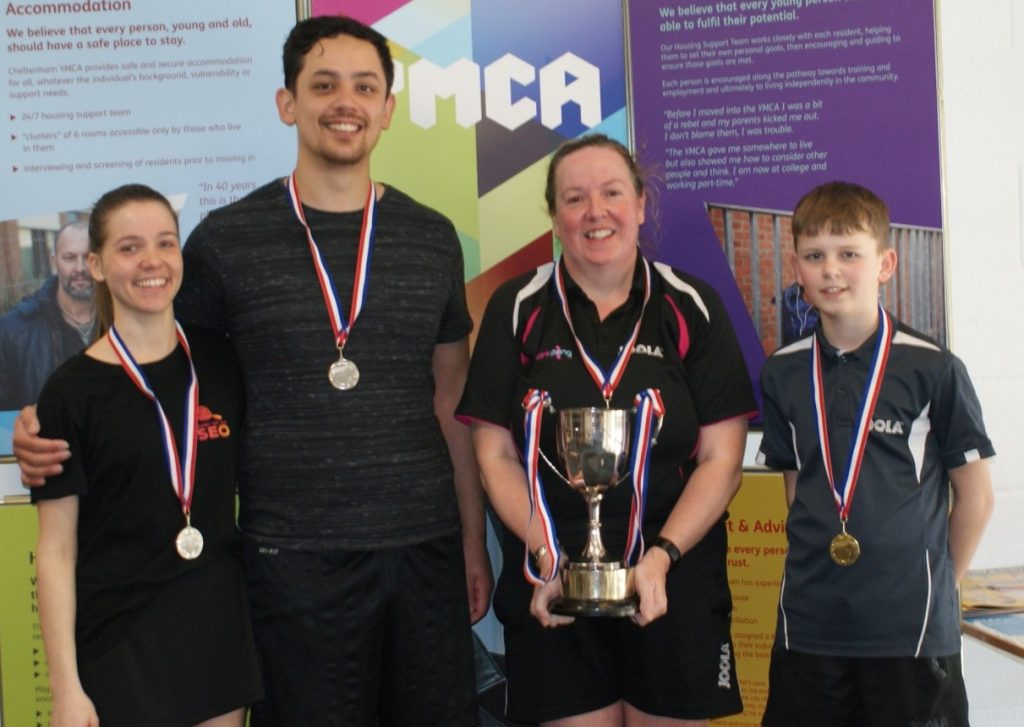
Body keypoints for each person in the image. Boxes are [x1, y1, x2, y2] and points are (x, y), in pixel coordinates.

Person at [16, 15, 490, 727]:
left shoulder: (432, 237)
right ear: (287, 103)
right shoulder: (225, 241)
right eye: (323, 84)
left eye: (365, 87)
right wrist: (48, 423)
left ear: (388, 109)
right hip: (288, 561)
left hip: (422, 551)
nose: (345, 102)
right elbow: (161, 373)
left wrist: (470, 538)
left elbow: (452, 397)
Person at [456, 133, 755, 726]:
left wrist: (662, 557)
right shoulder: (516, 306)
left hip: (673, 584)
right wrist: (546, 555)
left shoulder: (692, 304)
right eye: (575, 198)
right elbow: (494, 455)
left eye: (612, 192)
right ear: (554, 217)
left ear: (641, 204)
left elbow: (722, 459)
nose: (596, 211)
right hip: (552, 586)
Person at [756, 181, 995, 727]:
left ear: (885, 263)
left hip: (909, 632)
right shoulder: (784, 372)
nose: (831, 270)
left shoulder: (933, 368)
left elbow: (976, 497)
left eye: (849, 254)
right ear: (796, 268)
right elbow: (798, 488)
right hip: (810, 625)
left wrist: (938, 590)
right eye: (815, 256)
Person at [32, 184, 262, 727]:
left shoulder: (221, 360)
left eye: (165, 243)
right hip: (120, 637)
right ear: (97, 264)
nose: (151, 262)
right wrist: (65, 686)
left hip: (215, 626)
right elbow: (56, 551)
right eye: (129, 247)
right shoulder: (71, 393)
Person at [0, 221, 96, 410]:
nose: (80, 268)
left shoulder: (126, 320)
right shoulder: (13, 330)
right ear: (54, 262)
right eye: (69, 257)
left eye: (88, 257)